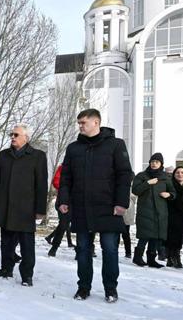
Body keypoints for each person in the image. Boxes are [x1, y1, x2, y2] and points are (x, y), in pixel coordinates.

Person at [57, 108, 133, 303]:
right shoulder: (74, 148)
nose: (80, 126)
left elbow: (125, 175)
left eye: (83, 122)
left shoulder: (116, 145)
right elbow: (66, 177)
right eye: (79, 123)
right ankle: (83, 287)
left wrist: (121, 202)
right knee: (82, 249)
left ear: (96, 123)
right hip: (82, 206)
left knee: (110, 249)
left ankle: (110, 289)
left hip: (108, 207)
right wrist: (63, 200)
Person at [0, 124, 48, 286]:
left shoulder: (38, 156)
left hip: (26, 209)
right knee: (6, 241)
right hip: (6, 206)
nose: (12, 137)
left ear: (26, 138)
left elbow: (41, 185)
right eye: (11, 134)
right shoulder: (4, 155)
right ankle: (6, 268)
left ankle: (27, 275)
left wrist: (40, 209)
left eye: (16, 135)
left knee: (27, 245)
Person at [131, 153, 175, 268]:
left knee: (156, 236)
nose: (154, 164)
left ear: (161, 164)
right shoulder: (142, 176)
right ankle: (137, 257)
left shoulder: (165, 177)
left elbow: (173, 193)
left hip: (161, 212)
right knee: (144, 235)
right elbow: (135, 190)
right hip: (145, 210)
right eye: (152, 162)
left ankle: (151, 259)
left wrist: (169, 194)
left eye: (157, 162)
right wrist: (147, 183)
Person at [164, 166, 183, 269]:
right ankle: (174, 258)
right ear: (174, 174)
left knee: (180, 239)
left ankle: (172, 257)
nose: (180, 174)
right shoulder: (170, 186)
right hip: (172, 217)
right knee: (172, 239)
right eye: (177, 172)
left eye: (182, 172)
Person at [46, 164, 74, 257]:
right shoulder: (63, 167)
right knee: (63, 224)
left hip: (81, 200)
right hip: (65, 200)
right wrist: (66, 188)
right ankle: (54, 247)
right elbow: (56, 181)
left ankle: (88, 249)